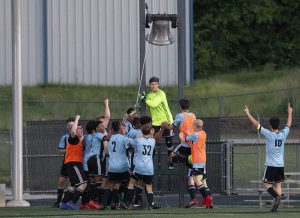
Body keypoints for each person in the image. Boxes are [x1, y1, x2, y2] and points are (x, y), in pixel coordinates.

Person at [244, 103, 293, 212]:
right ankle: (276, 206)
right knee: (278, 185)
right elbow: (289, 123)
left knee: (266, 185)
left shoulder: (269, 134)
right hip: (281, 165)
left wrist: (248, 113)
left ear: (270, 125)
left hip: (271, 165)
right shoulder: (283, 134)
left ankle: (277, 197)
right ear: (279, 125)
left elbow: (256, 124)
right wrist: (290, 112)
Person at [126, 122, 166, 210]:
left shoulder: (138, 140)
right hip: (149, 168)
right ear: (151, 131)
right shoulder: (152, 141)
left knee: (132, 183)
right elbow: (153, 138)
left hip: (139, 167)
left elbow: (130, 142)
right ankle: (150, 205)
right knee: (149, 186)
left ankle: (129, 203)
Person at [179, 119, 213, 209]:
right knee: (198, 179)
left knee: (197, 180)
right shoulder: (204, 133)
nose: (192, 126)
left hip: (197, 159)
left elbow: (184, 140)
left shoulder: (195, 135)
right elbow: (193, 141)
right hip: (203, 159)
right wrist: (188, 132)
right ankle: (207, 199)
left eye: (193, 125)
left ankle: (207, 198)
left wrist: (181, 135)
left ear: (195, 127)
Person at [100, 120, 133, 210]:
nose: (124, 127)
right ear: (120, 128)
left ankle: (105, 204)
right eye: (123, 125)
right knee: (131, 182)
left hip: (112, 167)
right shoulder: (124, 138)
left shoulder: (111, 138)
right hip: (122, 167)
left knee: (112, 185)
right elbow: (133, 143)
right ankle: (125, 202)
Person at [144, 77, 174, 169]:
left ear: (158, 85)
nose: (154, 86)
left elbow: (153, 104)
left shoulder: (161, 93)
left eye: (155, 84)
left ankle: (171, 162)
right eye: (152, 84)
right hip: (155, 123)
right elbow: (148, 105)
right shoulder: (149, 95)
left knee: (169, 144)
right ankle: (150, 163)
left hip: (166, 121)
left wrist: (145, 99)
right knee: (152, 143)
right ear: (150, 85)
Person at [60, 115, 87, 210]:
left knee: (73, 185)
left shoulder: (78, 140)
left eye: (81, 128)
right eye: (78, 128)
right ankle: (72, 202)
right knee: (83, 184)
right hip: (74, 163)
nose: (81, 129)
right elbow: (72, 131)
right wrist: (77, 119)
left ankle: (63, 203)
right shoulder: (73, 138)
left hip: (71, 163)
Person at [51, 117, 74, 208]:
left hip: (76, 162)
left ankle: (68, 201)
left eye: (72, 125)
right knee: (61, 181)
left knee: (74, 183)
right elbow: (60, 151)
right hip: (66, 161)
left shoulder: (79, 136)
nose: (70, 127)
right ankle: (58, 201)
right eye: (68, 125)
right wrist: (70, 149)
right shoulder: (65, 137)